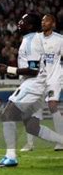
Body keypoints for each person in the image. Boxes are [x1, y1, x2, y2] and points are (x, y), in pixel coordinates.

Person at [0, 13, 63, 168]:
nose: (19, 23)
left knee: (8, 114)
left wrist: (8, 69)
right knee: (32, 126)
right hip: (37, 84)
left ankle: (11, 157)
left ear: (30, 26)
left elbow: (33, 69)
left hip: (33, 84)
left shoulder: (31, 41)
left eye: (22, 21)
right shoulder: (31, 39)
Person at [20, 14, 63, 152]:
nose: (44, 22)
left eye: (47, 20)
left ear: (53, 24)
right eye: (43, 20)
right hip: (39, 79)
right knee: (32, 109)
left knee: (52, 105)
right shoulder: (35, 38)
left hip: (54, 78)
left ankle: (61, 141)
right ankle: (30, 143)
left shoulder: (60, 40)